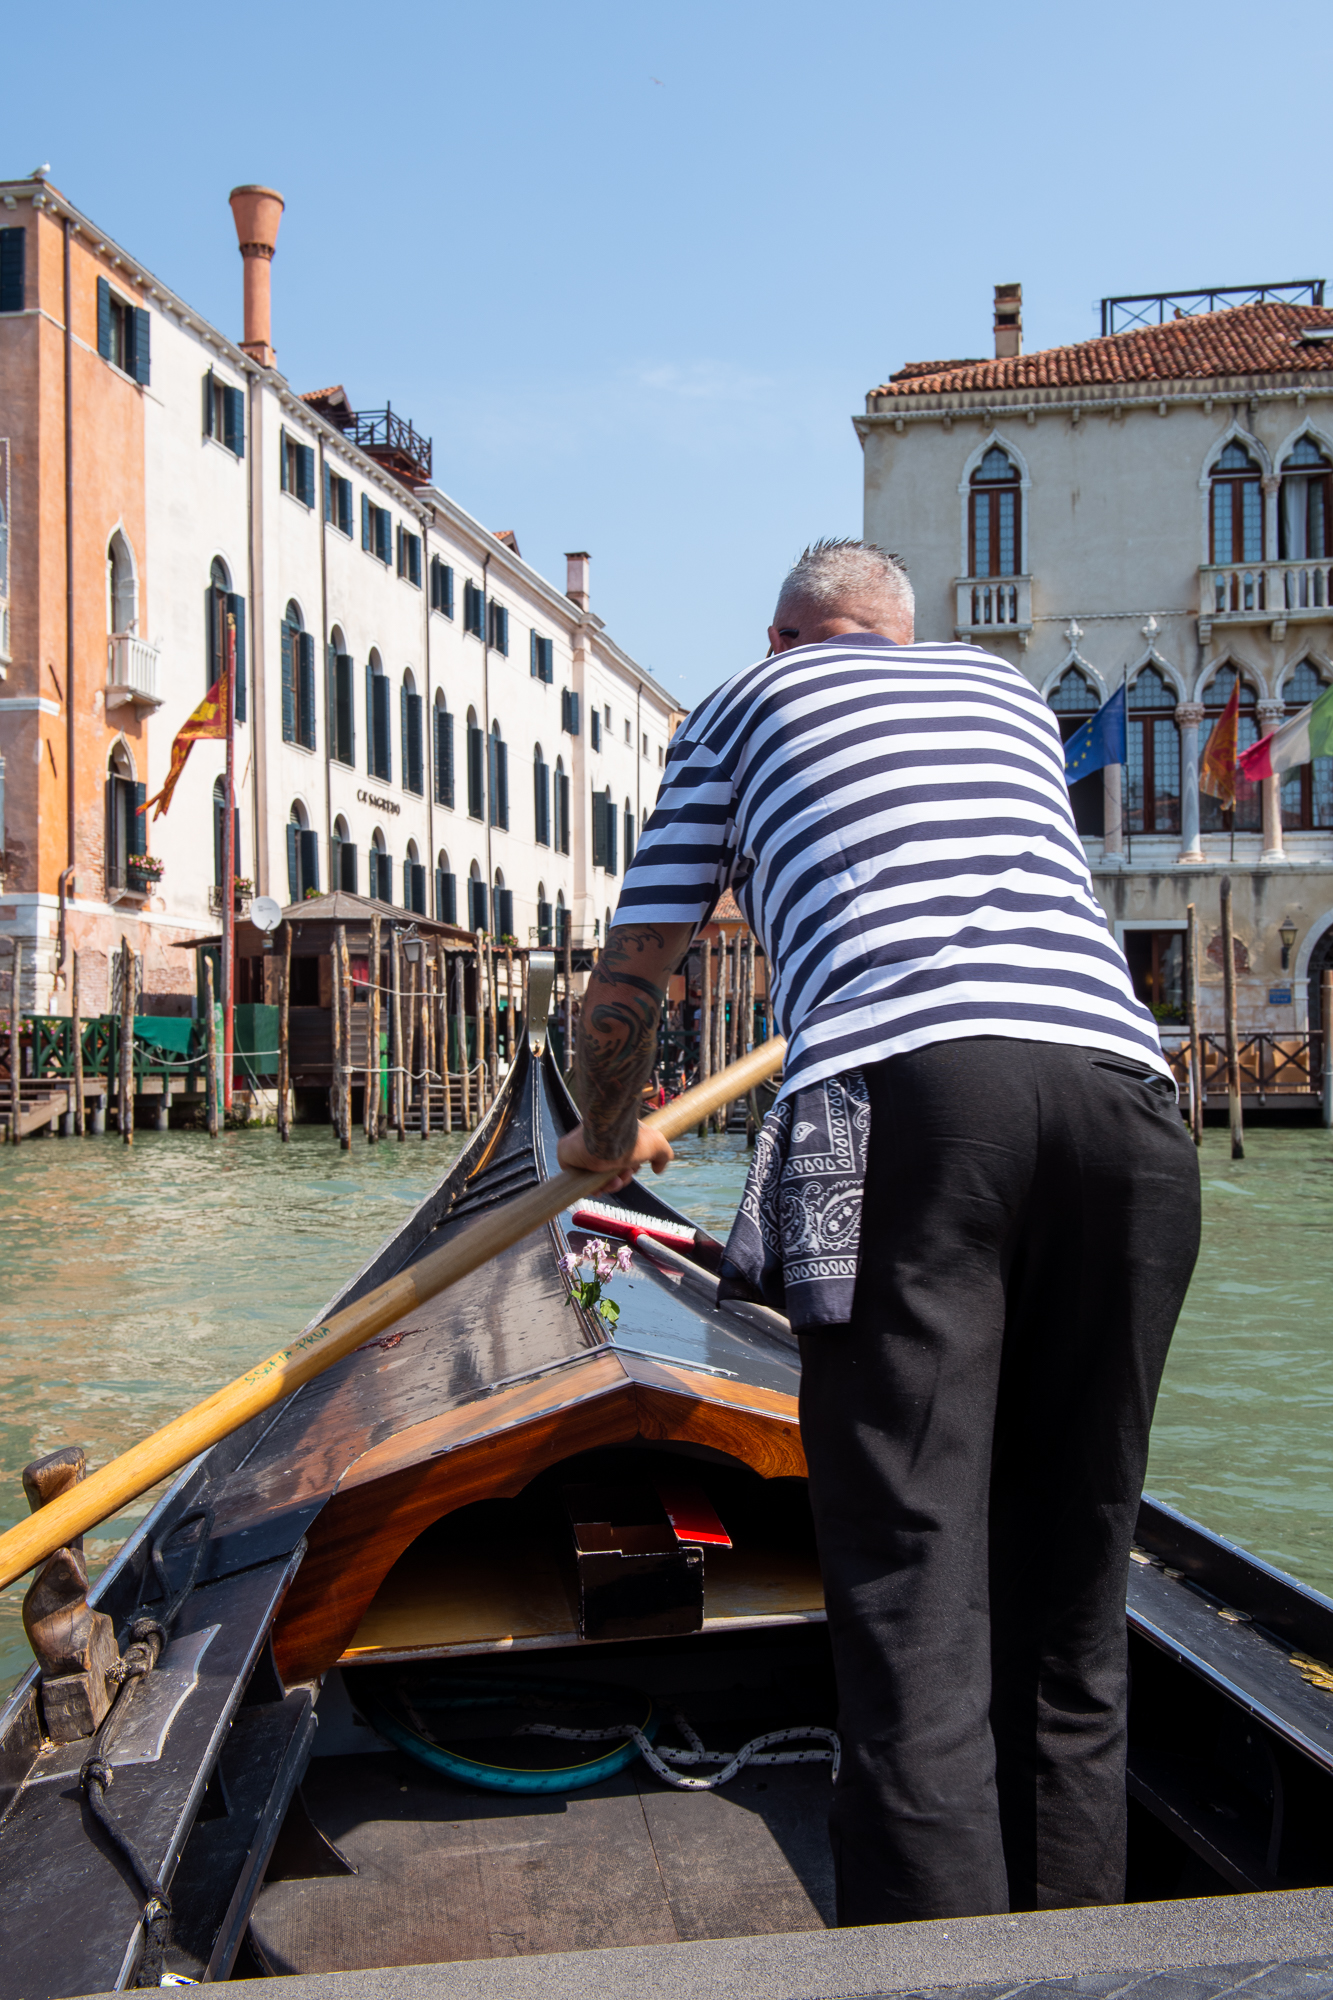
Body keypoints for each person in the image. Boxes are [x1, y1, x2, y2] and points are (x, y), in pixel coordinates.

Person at [556, 538, 1201, 1926]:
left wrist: (604, 1134)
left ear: (785, 638)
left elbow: (630, 977)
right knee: (1072, 1587)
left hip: (897, 1097)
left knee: (911, 1581)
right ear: (897, 640)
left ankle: (933, 1965)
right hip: (1129, 1108)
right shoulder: (1007, 699)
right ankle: (1081, 1954)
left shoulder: (739, 705)